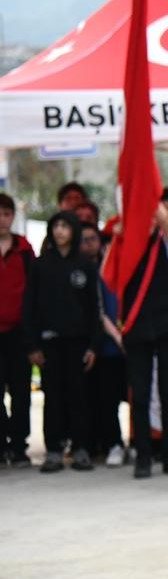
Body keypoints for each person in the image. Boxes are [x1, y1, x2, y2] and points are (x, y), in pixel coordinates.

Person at [25, 212, 101, 472]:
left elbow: (94, 308)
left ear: (74, 231)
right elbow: (30, 308)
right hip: (50, 343)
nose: (60, 231)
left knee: (79, 396)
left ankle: (81, 448)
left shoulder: (85, 265)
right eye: (55, 226)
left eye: (65, 226)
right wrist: (33, 345)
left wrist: (93, 345)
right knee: (53, 397)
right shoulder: (40, 265)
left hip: (78, 343)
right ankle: (54, 450)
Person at [122, 203, 168, 479]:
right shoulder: (128, 245)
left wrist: (156, 209)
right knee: (139, 396)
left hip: (167, 328)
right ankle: (143, 457)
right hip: (137, 329)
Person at [82, 226, 128, 467]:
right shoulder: (96, 274)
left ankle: (143, 442)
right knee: (108, 400)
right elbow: (99, 312)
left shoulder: (131, 268)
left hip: (135, 343)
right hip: (110, 347)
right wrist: (117, 337)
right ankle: (115, 444)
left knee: (139, 398)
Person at [0, 193, 35, 467]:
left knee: (21, 392)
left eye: (6, 213)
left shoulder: (25, 250)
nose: (2, 219)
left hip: (20, 333)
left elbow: (35, 293)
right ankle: (2, 443)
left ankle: (19, 444)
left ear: (13, 217)